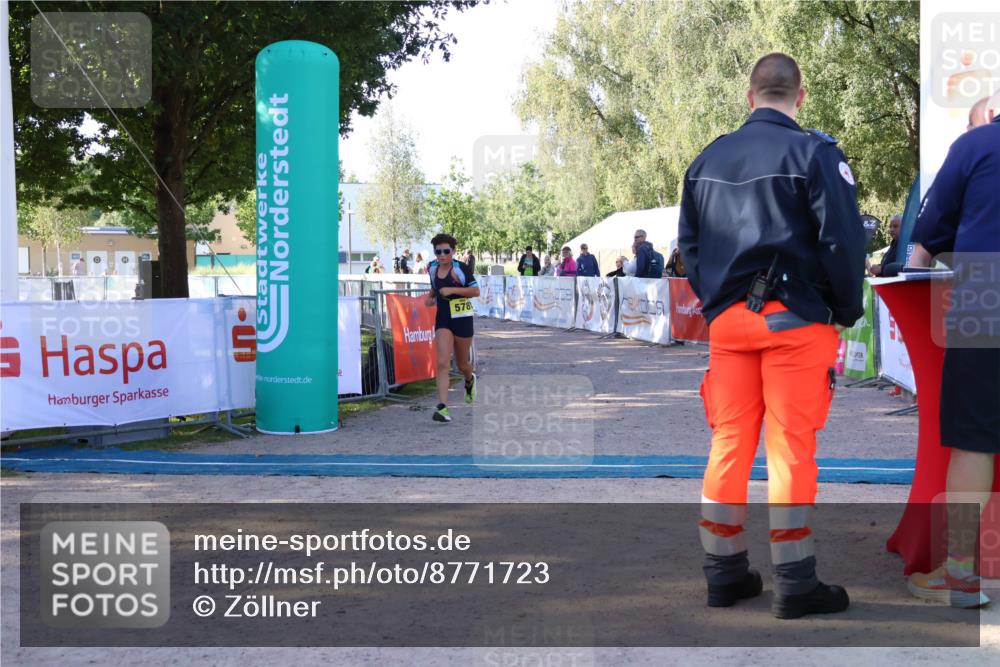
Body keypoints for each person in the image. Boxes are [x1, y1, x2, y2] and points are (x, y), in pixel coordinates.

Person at [677, 52, 865, 619]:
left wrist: (720, 303)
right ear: (799, 96)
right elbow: (843, 243)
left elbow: (689, 248)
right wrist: (843, 310)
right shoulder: (816, 153)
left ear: (749, 95)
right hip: (795, 321)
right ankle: (795, 580)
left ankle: (724, 572)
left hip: (729, 325)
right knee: (790, 450)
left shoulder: (706, 160)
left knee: (728, 443)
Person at [904, 105, 1000, 608]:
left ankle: (962, 575)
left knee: (973, 439)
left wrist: (918, 262)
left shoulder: (976, 144)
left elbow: (925, 242)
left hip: (987, 293)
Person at [425, 233, 480, 423]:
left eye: (446, 251)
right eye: (438, 251)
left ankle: (469, 379)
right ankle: (443, 408)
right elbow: (435, 285)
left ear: (453, 251)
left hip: (462, 317)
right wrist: (431, 296)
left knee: (462, 363)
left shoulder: (460, 268)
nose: (441, 255)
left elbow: (475, 291)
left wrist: (452, 290)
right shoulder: (431, 268)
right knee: (442, 362)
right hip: (443, 318)